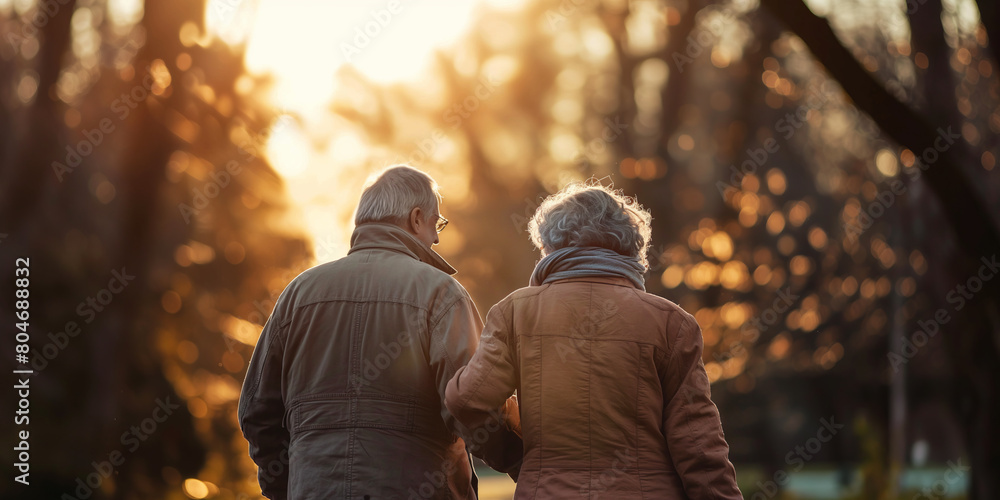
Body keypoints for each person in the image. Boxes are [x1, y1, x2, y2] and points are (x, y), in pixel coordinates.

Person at [239, 165, 522, 500]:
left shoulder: (297, 295)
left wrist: (289, 486)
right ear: (416, 219)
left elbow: (257, 411)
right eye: (437, 223)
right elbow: (472, 405)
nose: (437, 237)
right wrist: (519, 460)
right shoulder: (442, 294)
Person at [445, 183, 742, 498]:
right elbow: (699, 444)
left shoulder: (516, 312)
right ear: (631, 247)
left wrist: (521, 459)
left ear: (549, 246)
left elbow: (466, 402)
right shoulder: (671, 323)